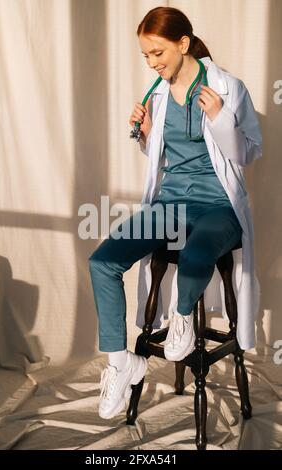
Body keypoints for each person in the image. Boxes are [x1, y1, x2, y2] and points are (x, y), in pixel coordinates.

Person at [88, 6, 262, 420]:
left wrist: (220, 116)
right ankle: (119, 363)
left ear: (183, 44)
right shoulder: (158, 93)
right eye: (146, 55)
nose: (152, 63)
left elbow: (249, 152)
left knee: (198, 254)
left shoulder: (228, 86)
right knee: (102, 262)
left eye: (158, 53)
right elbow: (160, 159)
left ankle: (183, 317)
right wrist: (146, 135)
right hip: (170, 205)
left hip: (219, 205)